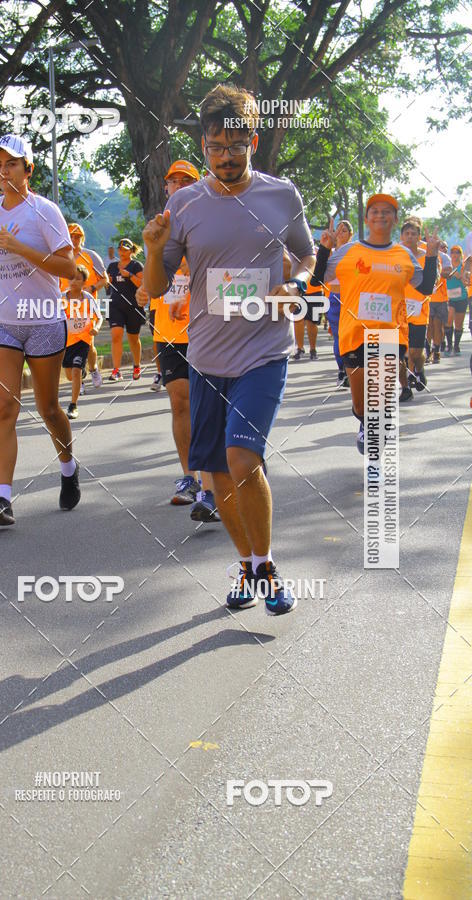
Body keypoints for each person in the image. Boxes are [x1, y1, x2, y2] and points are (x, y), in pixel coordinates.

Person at [143, 83, 316, 614]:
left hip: (263, 351)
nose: (226, 156)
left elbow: (307, 257)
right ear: (204, 147)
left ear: (253, 142)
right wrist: (152, 248)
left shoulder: (280, 195)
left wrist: (298, 286)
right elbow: (153, 287)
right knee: (218, 471)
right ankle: (248, 565)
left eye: (235, 146)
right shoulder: (184, 204)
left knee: (244, 458)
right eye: (216, 147)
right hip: (207, 358)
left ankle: (264, 563)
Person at [0, 134, 80, 525]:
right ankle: (2, 498)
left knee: (48, 408)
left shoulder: (45, 211)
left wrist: (20, 247)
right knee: (3, 407)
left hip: (44, 317)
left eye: (11, 164)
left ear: (28, 169)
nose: (3, 171)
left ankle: (67, 467)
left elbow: (70, 270)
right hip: (0, 317)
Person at [312, 194, 439, 452]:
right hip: (354, 334)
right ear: (367, 218)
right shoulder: (349, 251)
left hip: (390, 335)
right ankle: (365, 422)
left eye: (387, 212)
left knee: (380, 396)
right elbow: (317, 281)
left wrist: (433, 256)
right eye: (375, 211)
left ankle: (377, 434)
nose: (380, 215)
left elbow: (425, 288)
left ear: (394, 219)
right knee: (360, 404)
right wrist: (325, 248)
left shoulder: (402, 254)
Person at [137, 158, 220, 521]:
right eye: (173, 181)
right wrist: (144, 291)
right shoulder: (160, 228)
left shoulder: (208, 223)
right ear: (167, 188)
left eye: (187, 180)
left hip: (206, 331)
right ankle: (190, 478)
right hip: (169, 335)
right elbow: (154, 278)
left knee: (206, 407)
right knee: (181, 403)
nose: (179, 186)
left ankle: (211, 485)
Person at [61, 223, 107, 386]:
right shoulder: (60, 257)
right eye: (71, 236)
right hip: (66, 307)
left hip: (86, 305)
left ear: (82, 238)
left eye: (78, 237)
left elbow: (105, 279)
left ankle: (93, 369)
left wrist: (92, 287)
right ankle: (77, 377)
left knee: (88, 344)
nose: (74, 240)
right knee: (69, 344)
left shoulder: (91, 256)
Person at [61, 265, 102, 419]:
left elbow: (99, 317)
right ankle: (83, 372)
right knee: (70, 375)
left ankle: (73, 405)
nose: (74, 281)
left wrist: (96, 328)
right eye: (71, 278)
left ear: (84, 282)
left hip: (84, 339)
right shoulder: (62, 298)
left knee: (76, 371)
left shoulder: (88, 298)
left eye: (78, 279)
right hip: (67, 341)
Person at [400, 217, 434, 392]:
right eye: (407, 233)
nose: (410, 236)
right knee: (400, 352)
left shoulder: (426, 256)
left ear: (419, 236)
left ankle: (419, 369)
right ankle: (405, 387)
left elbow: (431, 282)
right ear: (401, 236)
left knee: (415, 352)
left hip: (420, 309)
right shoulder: (395, 255)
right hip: (398, 310)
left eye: (414, 234)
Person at [106, 239, 144, 381]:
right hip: (115, 305)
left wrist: (130, 276)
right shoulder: (112, 266)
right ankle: (116, 370)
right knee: (116, 335)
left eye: (125, 249)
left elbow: (143, 284)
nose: (122, 252)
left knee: (133, 339)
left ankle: (136, 366)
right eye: (120, 249)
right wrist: (107, 282)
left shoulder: (136, 265)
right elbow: (108, 287)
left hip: (133, 306)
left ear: (131, 250)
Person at [325, 219, 353, 386]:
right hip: (334, 298)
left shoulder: (354, 251)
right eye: (338, 230)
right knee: (337, 336)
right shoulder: (329, 251)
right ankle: (342, 369)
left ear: (351, 234)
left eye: (344, 231)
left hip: (350, 298)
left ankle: (352, 369)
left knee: (350, 336)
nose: (340, 234)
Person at [428, 241, 452, 363]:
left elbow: (449, 273)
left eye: (443, 247)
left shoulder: (444, 257)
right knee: (429, 327)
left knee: (438, 325)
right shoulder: (424, 255)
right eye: (441, 246)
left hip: (440, 298)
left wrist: (438, 272)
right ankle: (428, 350)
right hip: (427, 298)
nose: (443, 249)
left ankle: (436, 350)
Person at [444, 245, 469, 355]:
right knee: (449, 318)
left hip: (461, 297)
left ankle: (456, 346)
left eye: (457, 252)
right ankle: (449, 346)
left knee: (459, 323)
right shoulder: (447, 266)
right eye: (453, 252)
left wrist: (460, 276)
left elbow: (466, 282)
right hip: (449, 298)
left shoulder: (464, 266)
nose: (455, 254)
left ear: (460, 254)